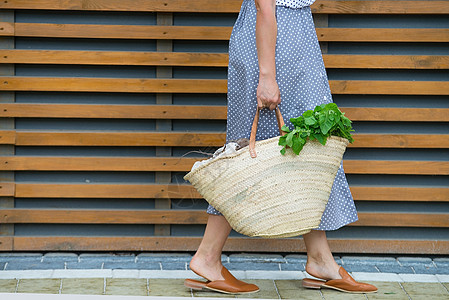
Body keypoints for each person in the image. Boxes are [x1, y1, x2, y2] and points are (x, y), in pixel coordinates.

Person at [184, 0, 378, 295]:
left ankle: (319, 259)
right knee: (267, 153)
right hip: (275, 46)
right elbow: (265, 7)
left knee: (309, 150)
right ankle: (208, 256)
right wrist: (267, 76)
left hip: (291, 40)